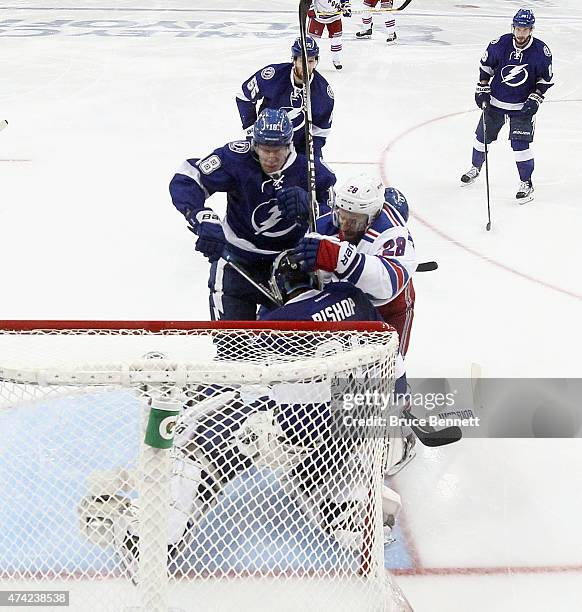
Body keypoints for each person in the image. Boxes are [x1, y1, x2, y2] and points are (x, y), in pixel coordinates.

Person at [169, 108, 336, 321]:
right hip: (238, 261)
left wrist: (311, 209)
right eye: (265, 149)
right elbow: (188, 177)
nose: (271, 157)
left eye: (277, 149)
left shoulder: (313, 171)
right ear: (255, 144)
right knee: (231, 344)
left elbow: (336, 223)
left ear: (290, 144)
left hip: (294, 269)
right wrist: (200, 216)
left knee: (294, 346)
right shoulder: (236, 158)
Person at [287, 173, 417, 358]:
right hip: (350, 305)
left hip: (390, 308)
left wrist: (340, 258)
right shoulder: (325, 225)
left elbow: (388, 281)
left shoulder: (392, 231)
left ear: (371, 218)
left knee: (391, 364)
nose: (345, 227)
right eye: (342, 217)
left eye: (354, 221)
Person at [460, 8, 554, 203]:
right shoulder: (499, 45)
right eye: (518, 28)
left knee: (520, 146)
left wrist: (536, 97)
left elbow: (544, 80)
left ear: (531, 30)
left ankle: (526, 183)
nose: (520, 33)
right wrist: (482, 88)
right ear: (513, 27)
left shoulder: (541, 52)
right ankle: (475, 168)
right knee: (481, 138)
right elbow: (485, 69)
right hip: (495, 103)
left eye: (525, 29)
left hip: (521, 107)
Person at [236, 36, 334, 158]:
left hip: (297, 147)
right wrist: (251, 131)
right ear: (294, 60)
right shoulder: (272, 75)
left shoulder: (323, 92)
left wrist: (309, 155)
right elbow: (243, 97)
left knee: (322, 175)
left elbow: (320, 131)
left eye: (310, 61)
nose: (306, 67)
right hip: (265, 144)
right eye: (302, 61)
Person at [307, 0, 352, 71]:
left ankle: (336, 60)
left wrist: (346, 7)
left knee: (336, 39)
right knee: (313, 41)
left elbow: (344, 1)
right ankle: (311, 60)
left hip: (335, 17)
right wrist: (310, 8)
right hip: (318, 17)